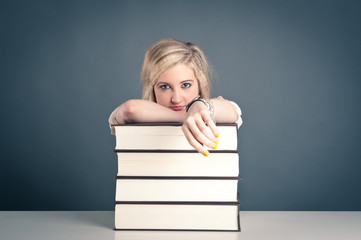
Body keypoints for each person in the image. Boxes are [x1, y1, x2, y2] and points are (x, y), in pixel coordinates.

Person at [109, 38, 242, 156]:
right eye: (165, 87)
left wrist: (200, 106)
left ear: (200, 84)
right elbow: (130, 110)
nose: (176, 99)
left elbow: (232, 112)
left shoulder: (213, 110)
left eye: (185, 85)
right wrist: (185, 118)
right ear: (152, 88)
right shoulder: (140, 111)